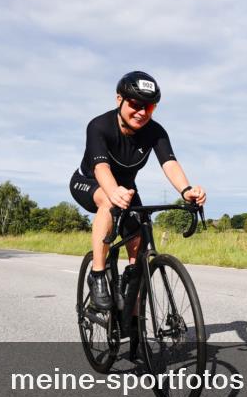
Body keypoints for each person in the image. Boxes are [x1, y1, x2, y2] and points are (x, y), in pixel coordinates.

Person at [69, 71, 206, 313]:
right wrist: (113, 192)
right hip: (90, 182)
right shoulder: (99, 126)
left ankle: (131, 307)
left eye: (149, 107)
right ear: (119, 99)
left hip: (127, 189)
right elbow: (100, 167)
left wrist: (186, 190)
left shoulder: (155, 131)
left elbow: (169, 163)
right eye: (135, 104)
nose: (142, 112)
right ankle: (98, 275)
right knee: (108, 204)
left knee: (140, 236)